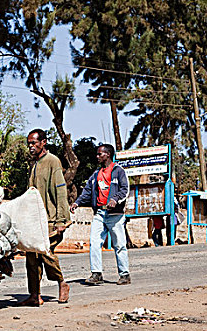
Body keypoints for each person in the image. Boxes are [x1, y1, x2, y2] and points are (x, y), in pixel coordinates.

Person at [18, 129, 71, 306]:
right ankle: (35, 294)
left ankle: (61, 283)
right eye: (29, 144)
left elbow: (60, 191)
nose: (31, 147)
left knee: (46, 253)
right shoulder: (34, 164)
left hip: (51, 219)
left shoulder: (52, 161)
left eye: (34, 143)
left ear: (43, 142)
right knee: (31, 258)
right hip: (34, 221)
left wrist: (61, 220)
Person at [70, 144, 131, 285]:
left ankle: (124, 274)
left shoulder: (118, 171)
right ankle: (96, 274)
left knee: (119, 244)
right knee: (95, 242)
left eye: (100, 154)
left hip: (115, 215)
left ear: (108, 155)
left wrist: (115, 199)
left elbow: (125, 189)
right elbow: (87, 191)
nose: (97, 157)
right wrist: (77, 202)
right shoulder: (96, 174)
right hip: (99, 213)